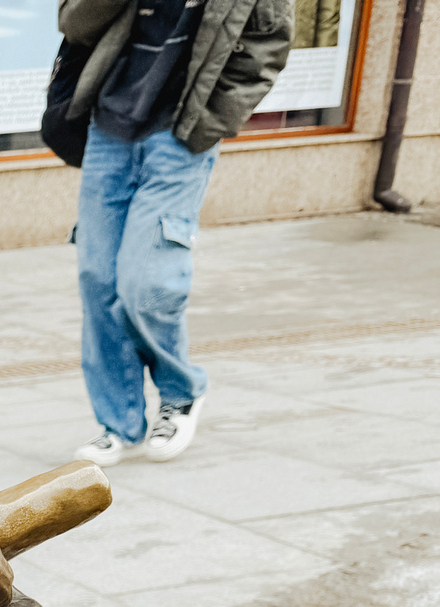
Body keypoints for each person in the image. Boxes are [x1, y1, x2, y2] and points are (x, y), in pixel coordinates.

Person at [60, 0, 291, 465]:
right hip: (109, 128)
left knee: (146, 282)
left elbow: (268, 45)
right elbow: (74, 22)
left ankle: (181, 393)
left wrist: (212, 122)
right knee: (98, 280)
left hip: (180, 134)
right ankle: (119, 423)